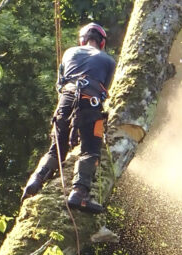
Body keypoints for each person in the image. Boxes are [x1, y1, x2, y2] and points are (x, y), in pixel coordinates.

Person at [21, 22, 116, 213]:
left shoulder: (69, 53)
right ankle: (79, 194)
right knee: (90, 150)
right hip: (91, 102)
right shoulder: (108, 61)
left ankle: (36, 180)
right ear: (102, 43)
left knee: (56, 148)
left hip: (66, 100)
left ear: (82, 39)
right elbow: (105, 90)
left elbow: (60, 84)